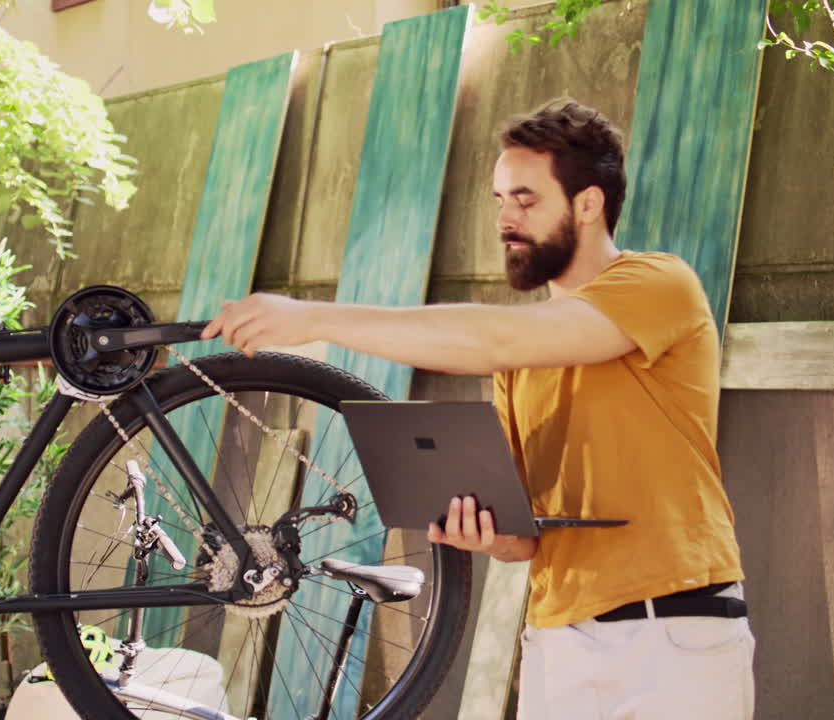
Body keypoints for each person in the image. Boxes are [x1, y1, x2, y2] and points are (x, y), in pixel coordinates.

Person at [201, 99, 754, 720]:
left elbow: (494, 338)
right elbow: (524, 541)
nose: (505, 218)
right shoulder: (519, 367)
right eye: (498, 200)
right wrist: (485, 532)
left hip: (670, 636)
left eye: (526, 199)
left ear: (589, 204)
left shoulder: (659, 284)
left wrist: (314, 319)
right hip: (557, 641)